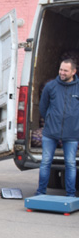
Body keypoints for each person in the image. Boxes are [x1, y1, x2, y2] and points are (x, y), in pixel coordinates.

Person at [35, 58, 79, 197]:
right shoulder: (50, 86)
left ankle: (70, 195)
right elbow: (43, 107)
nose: (62, 72)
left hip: (72, 133)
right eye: (61, 69)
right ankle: (41, 192)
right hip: (50, 132)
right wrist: (49, 119)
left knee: (71, 164)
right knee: (46, 162)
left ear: (73, 71)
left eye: (65, 70)